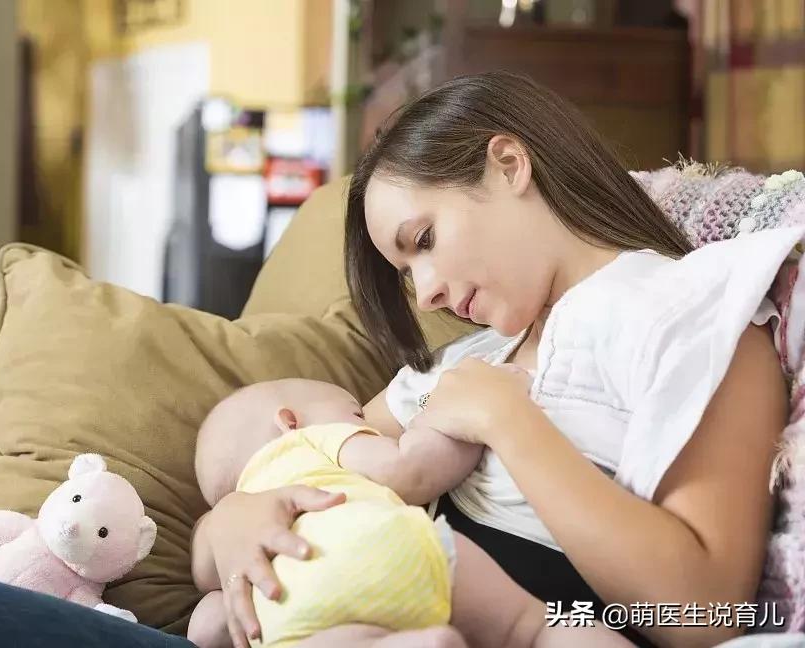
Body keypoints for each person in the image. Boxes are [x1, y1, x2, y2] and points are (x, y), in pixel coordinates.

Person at [195, 71, 788, 648]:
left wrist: (509, 422)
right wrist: (233, 519)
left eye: (423, 241)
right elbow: (296, 455)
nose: (424, 294)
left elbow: (705, 612)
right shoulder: (462, 361)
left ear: (509, 165)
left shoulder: (695, 310)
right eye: (407, 274)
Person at [185, 378, 633, 648]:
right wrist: (451, 418)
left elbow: (206, 621)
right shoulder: (313, 441)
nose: (365, 422)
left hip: (287, 613)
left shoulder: (240, 530)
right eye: (356, 412)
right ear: (290, 420)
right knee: (531, 627)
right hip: (383, 549)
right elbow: (410, 469)